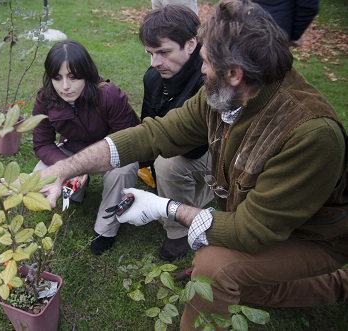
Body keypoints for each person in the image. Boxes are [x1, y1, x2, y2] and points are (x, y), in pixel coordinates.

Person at [38, 0, 348, 329]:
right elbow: (155, 134)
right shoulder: (228, 93)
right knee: (247, 288)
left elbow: (250, 232)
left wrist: (166, 207)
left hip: (314, 237)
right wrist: (66, 168)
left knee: (215, 269)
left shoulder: (309, 135)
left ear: (234, 73)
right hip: (261, 218)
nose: (200, 69)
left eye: (205, 61)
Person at [31, 40, 140, 255]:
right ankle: (75, 191)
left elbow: (129, 142)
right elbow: (42, 143)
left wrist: (84, 167)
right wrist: (66, 167)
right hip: (72, 149)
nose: (65, 86)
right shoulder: (45, 99)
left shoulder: (109, 95)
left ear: (86, 74)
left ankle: (105, 230)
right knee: (39, 174)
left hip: (111, 151)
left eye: (73, 77)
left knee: (125, 169)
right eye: (57, 77)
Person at [139, 4, 213, 262]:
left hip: (218, 149)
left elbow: (196, 147)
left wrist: (156, 149)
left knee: (169, 165)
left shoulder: (208, 78)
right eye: (150, 53)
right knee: (157, 164)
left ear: (191, 44)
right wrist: (144, 162)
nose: (155, 62)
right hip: (179, 144)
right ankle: (188, 202)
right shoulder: (153, 77)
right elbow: (147, 120)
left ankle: (178, 231)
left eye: (164, 52)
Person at [253, 0, 319, 47]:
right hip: (277, 33)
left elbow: (308, 7)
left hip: (252, 26)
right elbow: (308, 7)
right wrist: (294, 36)